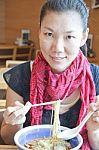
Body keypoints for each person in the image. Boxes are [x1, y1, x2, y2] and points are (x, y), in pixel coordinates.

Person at [1, 0, 99, 149]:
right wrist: (14, 122)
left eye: (69, 37)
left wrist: (94, 130)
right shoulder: (20, 76)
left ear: (83, 37)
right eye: (49, 34)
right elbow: (8, 140)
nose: (57, 48)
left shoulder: (95, 78)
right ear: (39, 32)